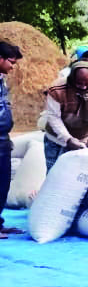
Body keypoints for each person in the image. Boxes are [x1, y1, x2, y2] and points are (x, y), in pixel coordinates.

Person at [42, 61, 88, 171]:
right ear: (71, 79)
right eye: (79, 83)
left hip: (84, 140)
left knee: (81, 173)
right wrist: (67, 139)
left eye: (87, 83)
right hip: (56, 140)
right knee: (53, 172)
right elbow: (53, 117)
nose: (83, 87)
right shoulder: (57, 89)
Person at [0, 41, 22, 237]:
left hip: (3, 139)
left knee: (3, 183)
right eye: (11, 62)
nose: (12, 67)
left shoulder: (1, 81)